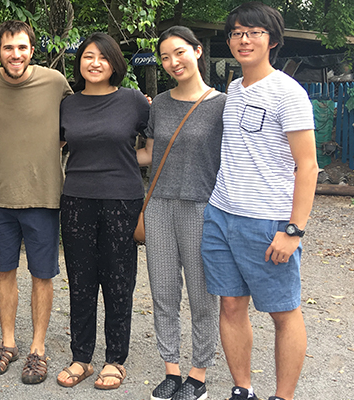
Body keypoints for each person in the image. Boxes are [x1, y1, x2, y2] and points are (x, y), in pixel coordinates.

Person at [200, 3, 317, 400]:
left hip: (267, 220)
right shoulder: (234, 88)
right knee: (231, 305)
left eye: (254, 32)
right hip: (220, 214)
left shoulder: (288, 92)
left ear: (273, 40)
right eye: (236, 32)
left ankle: (283, 396)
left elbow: (308, 165)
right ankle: (242, 389)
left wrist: (294, 231)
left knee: (283, 312)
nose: (244, 39)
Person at [0, 20, 72, 385]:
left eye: (22, 47)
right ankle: (8, 343)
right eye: (8, 48)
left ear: (32, 50)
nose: (16, 54)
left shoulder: (55, 82)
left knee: (43, 275)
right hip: (1, 195)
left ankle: (38, 349)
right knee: (4, 270)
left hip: (45, 195)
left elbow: (76, 122)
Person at [54, 32, 150, 391]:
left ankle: (115, 359)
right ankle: (82, 358)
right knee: (80, 282)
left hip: (123, 200)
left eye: (103, 57)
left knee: (119, 281)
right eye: (87, 56)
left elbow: (152, 148)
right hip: (76, 199)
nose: (94, 63)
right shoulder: (68, 104)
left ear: (114, 64)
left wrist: (125, 160)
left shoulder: (134, 101)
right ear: (79, 63)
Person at [135, 26, 225, 400]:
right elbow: (148, 155)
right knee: (163, 292)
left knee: (203, 296)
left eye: (180, 53)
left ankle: (198, 375)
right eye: (166, 57)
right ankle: (171, 369)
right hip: (157, 206)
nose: (173, 62)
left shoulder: (222, 104)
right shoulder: (160, 103)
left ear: (198, 51)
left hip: (201, 206)